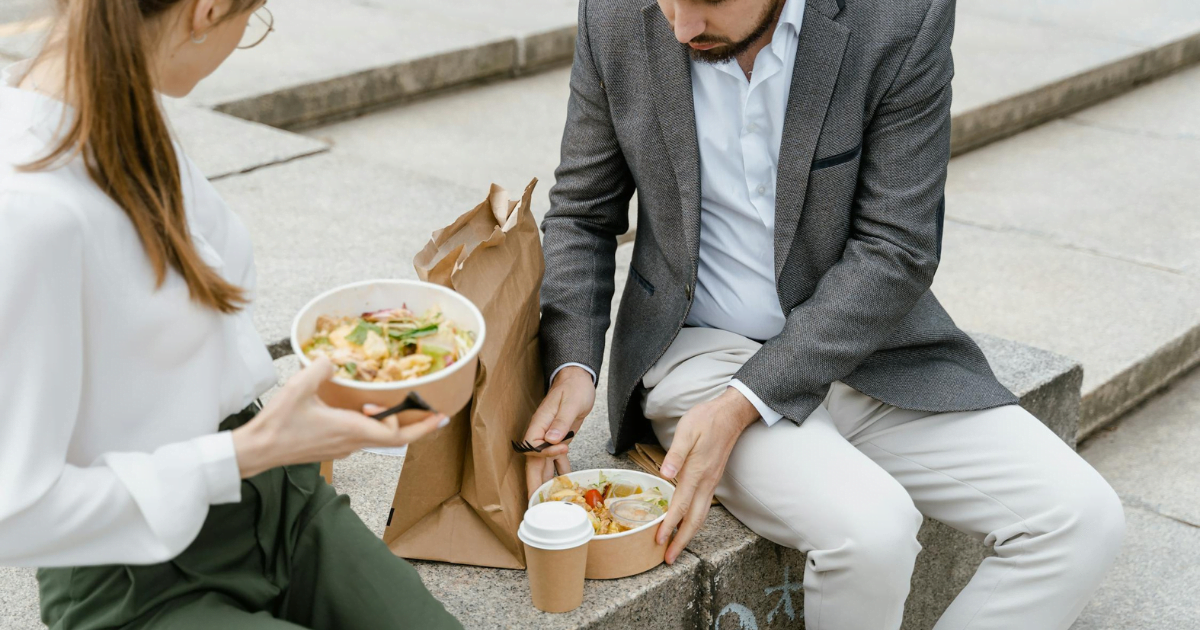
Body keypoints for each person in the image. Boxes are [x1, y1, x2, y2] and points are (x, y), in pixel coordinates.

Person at [522, 0, 1126, 628]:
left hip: (870, 349)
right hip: (700, 353)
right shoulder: (616, 15)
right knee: (872, 533)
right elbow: (581, 213)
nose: (680, 28)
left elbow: (897, 246)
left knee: (1082, 519)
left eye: (708, 2)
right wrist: (573, 362)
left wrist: (747, 401)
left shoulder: (899, 18)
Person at [0, 1, 462, 628]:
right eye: (257, 15)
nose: (249, 30)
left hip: (281, 502)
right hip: (137, 578)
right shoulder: (31, 206)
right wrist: (244, 452)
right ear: (208, 9)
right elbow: (14, 513)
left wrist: (340, 391)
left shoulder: (121, 105)